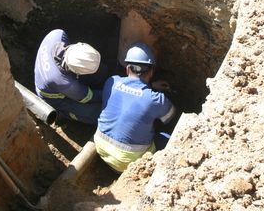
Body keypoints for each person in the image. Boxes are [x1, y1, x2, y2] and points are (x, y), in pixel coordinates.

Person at [95, 42, 176, 173]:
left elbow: (132, 95)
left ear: (127, 69)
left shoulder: (111, 81)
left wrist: (150, 88)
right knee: (169, 137)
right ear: (151, 72)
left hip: (101, 148)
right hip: (128, 161)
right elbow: (169, 118)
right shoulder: (156, 99)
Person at [34, 29, 106, 124]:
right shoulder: (64, 81)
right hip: (55, 99)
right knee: (96, 113)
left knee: (102, 70)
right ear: (76, 73)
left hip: (50, 77)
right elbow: (87, 97)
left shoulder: (58, 34)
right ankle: (65, 114)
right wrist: (108, 94)